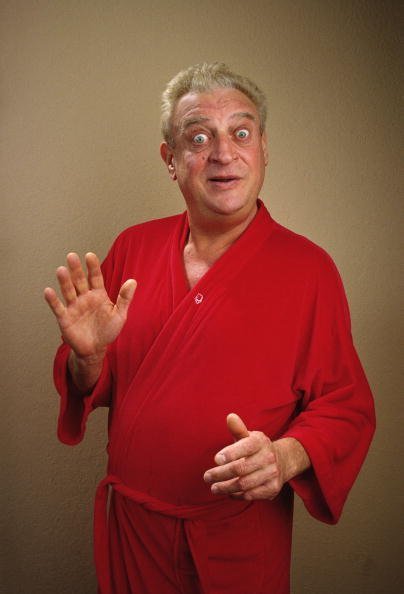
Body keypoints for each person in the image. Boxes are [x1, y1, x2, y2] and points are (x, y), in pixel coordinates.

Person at [44, 63, 375, 594]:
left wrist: (284, 457)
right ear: (171, 160)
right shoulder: (133, 248)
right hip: (137, 534)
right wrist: (86, 359)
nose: (224, 153)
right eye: (199, 137)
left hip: (240, 539)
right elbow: (93, 383)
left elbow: (346, 405)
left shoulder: (310, 269)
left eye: (241, 133)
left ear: (263, 147)